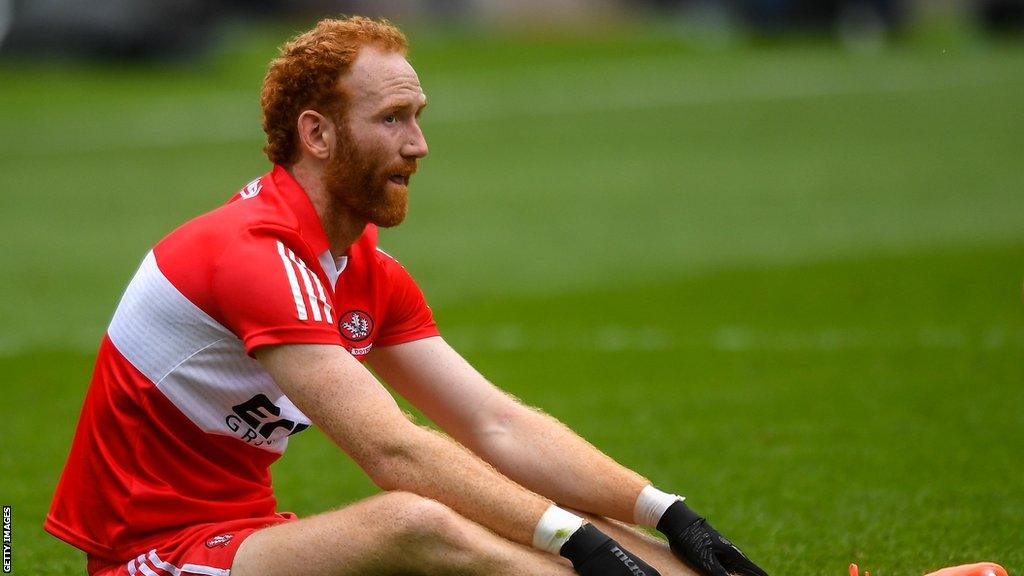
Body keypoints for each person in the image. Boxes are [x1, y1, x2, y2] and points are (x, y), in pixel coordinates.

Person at [45, 16, 769, 576]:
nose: (418, 144)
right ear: (318, 134)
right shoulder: (254, 254)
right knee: (416, 521)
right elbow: (393, 450)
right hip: (150, 557)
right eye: (392, 119)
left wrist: (664, 512)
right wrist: (569, 540)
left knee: (562, 515)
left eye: (417, 115)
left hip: (248, 537)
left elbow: (497, 425)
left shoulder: (363, 270)